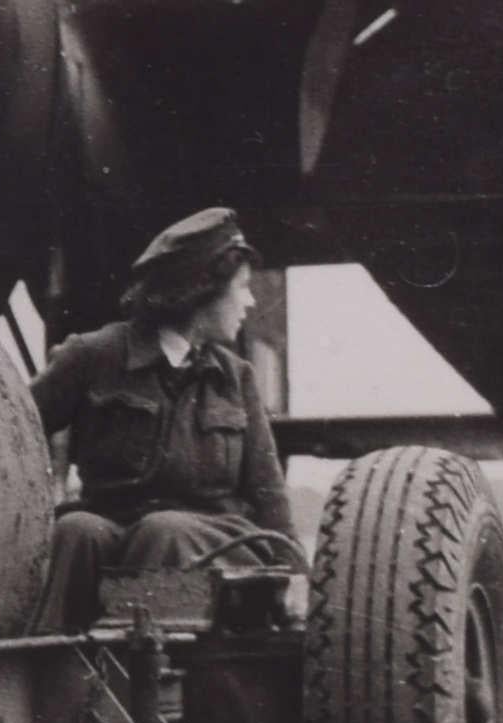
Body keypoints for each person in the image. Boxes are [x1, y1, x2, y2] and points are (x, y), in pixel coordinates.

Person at [31, 207, 303, 632]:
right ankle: (51, 672)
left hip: (213, 548)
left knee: (164, 531)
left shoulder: (237, 378)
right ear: (203, 290)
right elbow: (13, 428)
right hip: (116, 528)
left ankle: (145, 683)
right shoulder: (94, 355)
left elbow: (268, 492)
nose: (250, 302)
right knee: (75, 531)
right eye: (243, 287)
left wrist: (294, 580)